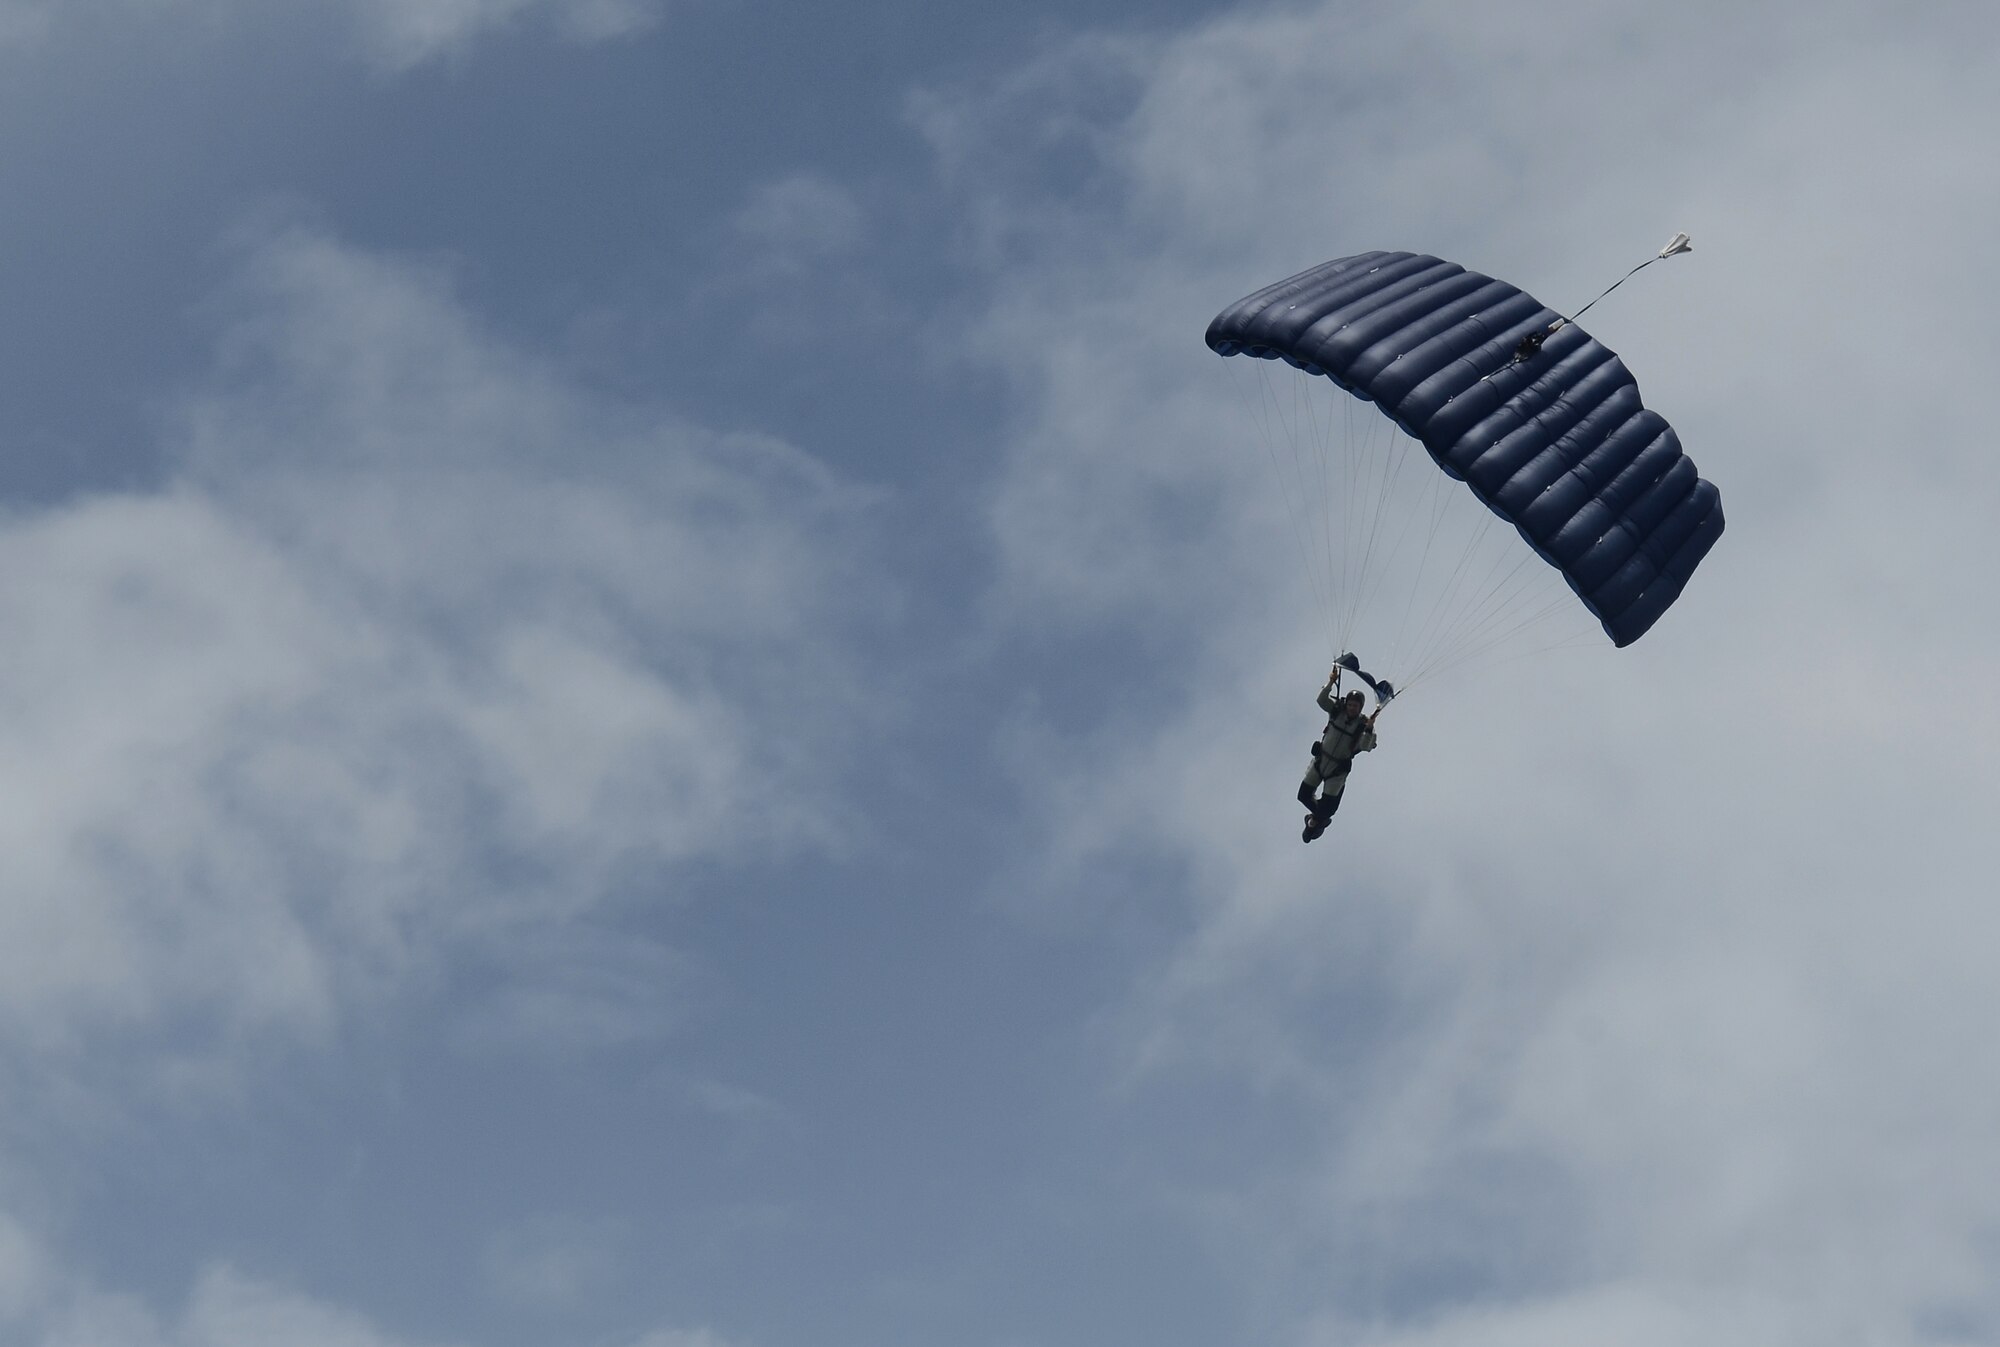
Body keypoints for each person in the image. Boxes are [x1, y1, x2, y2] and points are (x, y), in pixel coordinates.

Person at [1298, 665, 1379, 842]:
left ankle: (1313, 824)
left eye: (1355, 706)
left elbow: (1366, 746)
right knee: (1303, 795)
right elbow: (1321, 700)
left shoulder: (1362, 725)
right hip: (1320, 761)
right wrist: (1331, 682)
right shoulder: (1337, 711)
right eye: (1350, 705)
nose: (1351, 708)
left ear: (1360, 708)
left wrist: (1370, 728)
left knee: (1328, 810)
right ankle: (1317, 822)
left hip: (1337, 770)